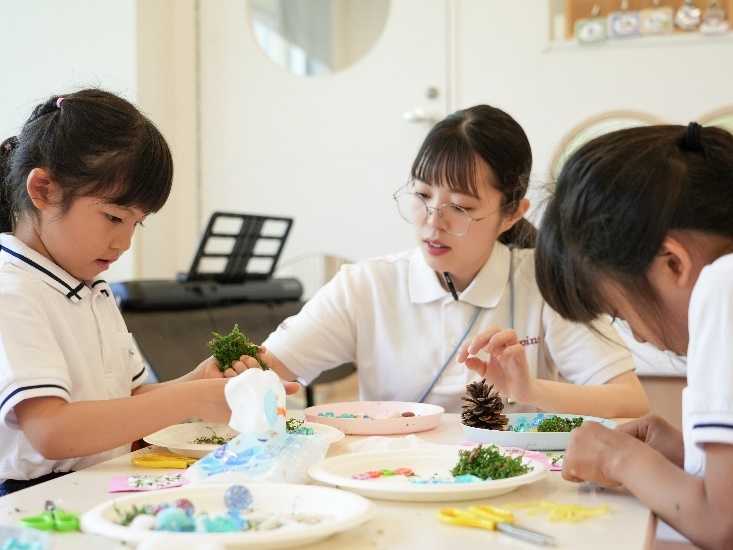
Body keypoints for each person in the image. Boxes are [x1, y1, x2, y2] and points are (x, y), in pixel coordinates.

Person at [236, 105, 648, 417]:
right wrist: (235, 379)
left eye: (461, 208)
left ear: (511, 214)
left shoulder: (545, 283)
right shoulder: (365, 285)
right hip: (391, 479)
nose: (433, 223)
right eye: (421, 196)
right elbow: (264, 369)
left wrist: (530, 390)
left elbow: (629, 401)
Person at [0, 89, 295, 496]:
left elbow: (130, 398)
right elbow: (51, 431)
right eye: (113, 217)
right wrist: (192, 400)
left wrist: (200, 382)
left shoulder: (92, 289)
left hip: (93, 488)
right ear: (44, 189)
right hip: (33, 502)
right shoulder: (12, 290)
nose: (124, 243)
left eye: (136, 223)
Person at [535, 122, 733, 548]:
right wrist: (688, 453)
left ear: (672, 262)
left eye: (620, 314)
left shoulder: (724, 284)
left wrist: (618, 458)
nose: (639, 339)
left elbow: (724, 525)